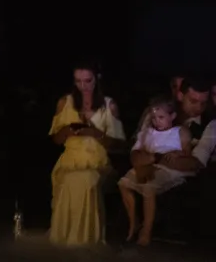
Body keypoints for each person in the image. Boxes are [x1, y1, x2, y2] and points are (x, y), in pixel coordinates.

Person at [47, 64, 126, 245]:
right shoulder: (64, 103)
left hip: (97, 162)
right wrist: (67, 130)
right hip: (70, 161)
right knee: (70, 179)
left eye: (88, 81)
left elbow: (120, 145)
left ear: (97, 79)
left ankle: (86, 238)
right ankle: (64, 237)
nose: (83, 86)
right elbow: (56, 140)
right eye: (78, 81)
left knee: (86, 179)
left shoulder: (108, 105)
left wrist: (96, 134)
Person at [118, 96, 192, 246]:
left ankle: (147, 230)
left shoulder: (180, 132)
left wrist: (177, 154)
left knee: (149, 187)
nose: (157, 121)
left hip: (169, 168)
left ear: (172, 116)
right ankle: (134, 222)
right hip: (149, 164)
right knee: (123, 183)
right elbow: (138, 152)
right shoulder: (147, 133)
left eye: (161, 117)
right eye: (154, 118)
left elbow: (187, 153)